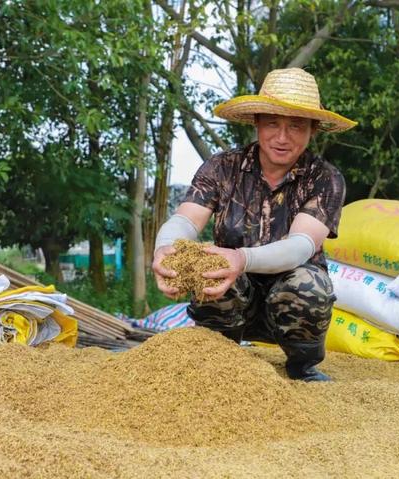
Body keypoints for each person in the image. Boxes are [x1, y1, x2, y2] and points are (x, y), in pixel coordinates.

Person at [152, 68, 357, 382]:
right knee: (211, 264)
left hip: (290, 301)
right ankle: (220, 356)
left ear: (313, 130)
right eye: (272, 123)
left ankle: (302, 367)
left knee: (309, 284)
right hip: (231, 292)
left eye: (296, 126)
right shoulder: (222, 167)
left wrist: (242, 259)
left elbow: (301, 244)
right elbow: (185, 219)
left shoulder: (324, 178)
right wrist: (165, 248)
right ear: (257, 123)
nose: (282, 137)